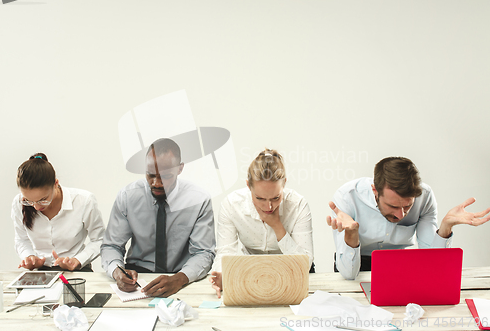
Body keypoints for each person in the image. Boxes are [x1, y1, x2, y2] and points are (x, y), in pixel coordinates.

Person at [327, 156, 490, 280]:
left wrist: (445, 228)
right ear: (375, 190)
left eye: (407, 207)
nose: (401, 215)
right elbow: (348, 274)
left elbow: (433, 265)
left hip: (401, 264)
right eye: (393, 207)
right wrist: (352, 235)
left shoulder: (424, 197)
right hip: (357, 263)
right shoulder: (347, 197)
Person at [101, 138, 215, 298]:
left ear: (180, 169)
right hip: (137, 278)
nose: (156, 183)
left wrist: (178, 280)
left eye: (165, 176)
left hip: (181, 277)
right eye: (150, 175)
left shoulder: (199, 200)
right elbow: (111, 246)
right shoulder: (127, 197)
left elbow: (204, 252)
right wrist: (117, 271)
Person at [209, 149, 314, 298]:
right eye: (260, 198)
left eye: (276, 198)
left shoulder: (298, 205)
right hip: (250, 274)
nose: (268, 207)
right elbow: (225, 252)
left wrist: (277, 226)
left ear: (284, 183)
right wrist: (222, 274)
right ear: (248, 185)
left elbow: (305, 263)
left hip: (291, 275)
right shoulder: (232, 204)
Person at [11, 153, 105, 272]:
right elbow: (21, 239)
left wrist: (77, 260)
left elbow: (99, 239)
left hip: (77, 270)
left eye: (42, 199)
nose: (36, 207)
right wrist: (29, 257)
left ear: (56, 184)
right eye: (29, 201)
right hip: (42, 271)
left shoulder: (83, 201)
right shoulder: (19, 203)